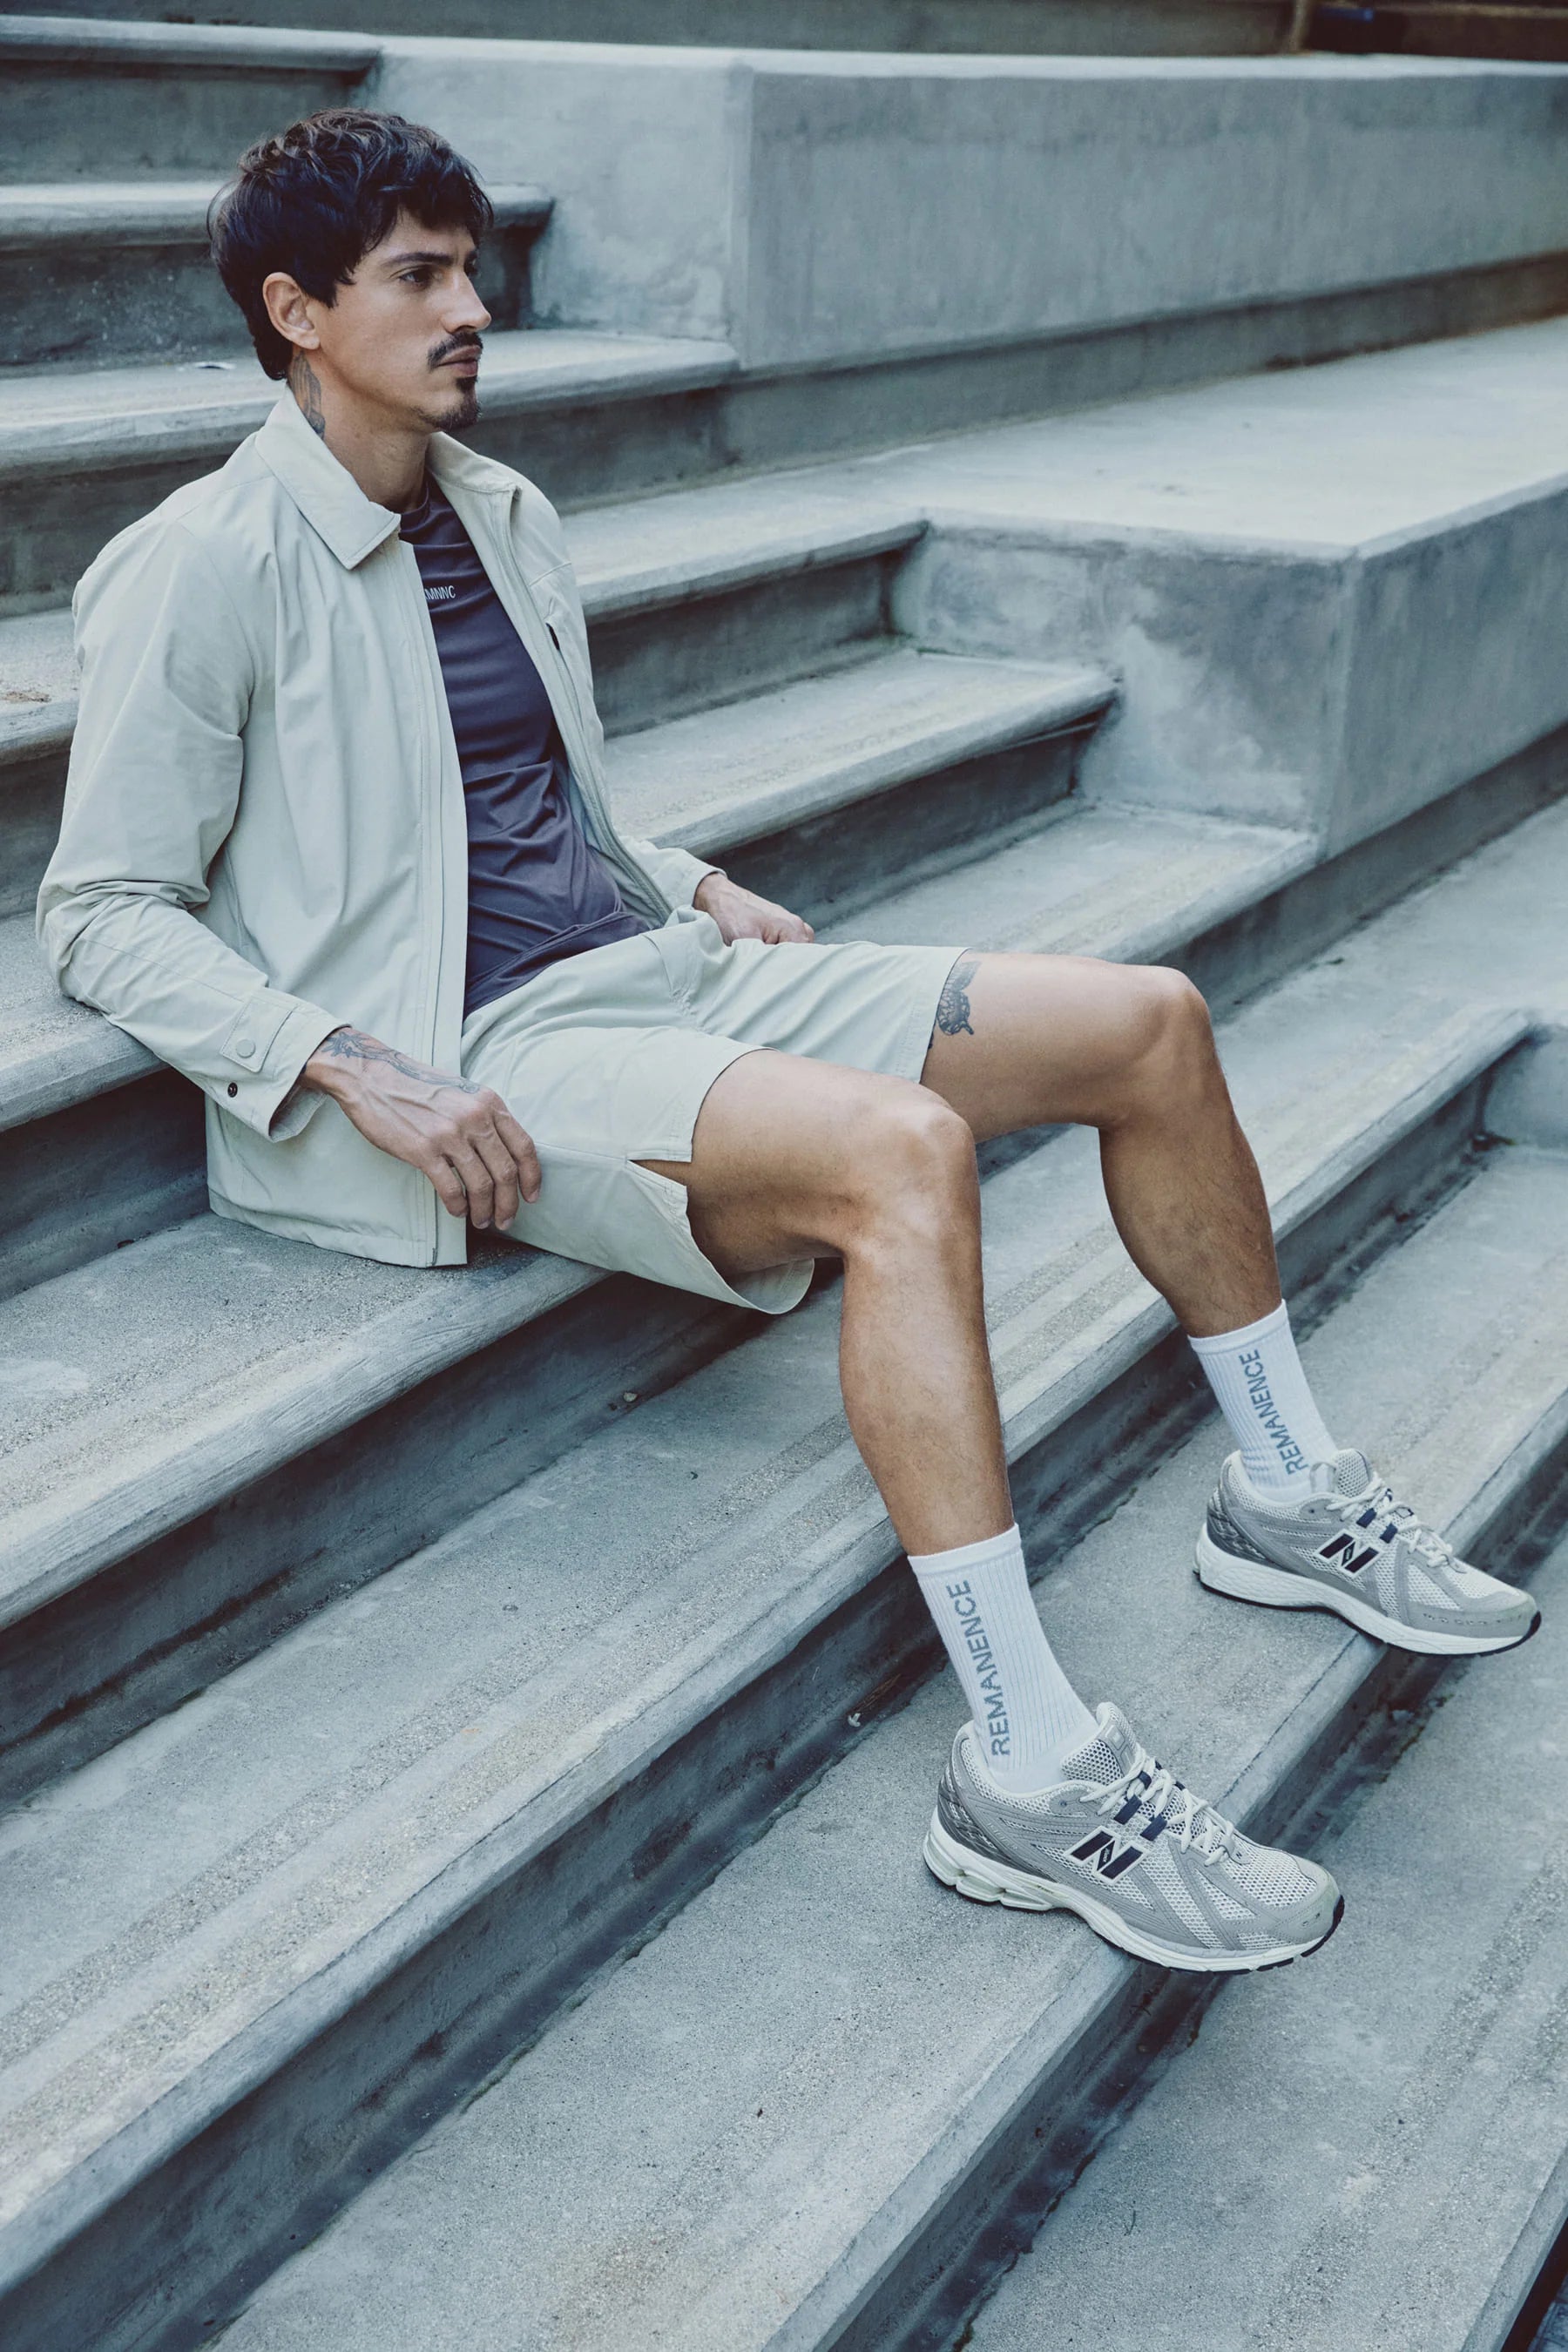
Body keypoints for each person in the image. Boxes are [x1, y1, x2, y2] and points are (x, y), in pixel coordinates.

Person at [38, 109, 1538, 1977]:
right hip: (485, 1045)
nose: (472, 308)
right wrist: (347, 1060)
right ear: (295, 312)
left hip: (658, 966)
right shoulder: (201, 562)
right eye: (418, 276)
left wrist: (683, 877)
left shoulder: (499, 512)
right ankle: (1025, 1762)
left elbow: (507, 798)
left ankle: (1289, 1490)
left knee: (1149, 1024)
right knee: (903, 1158)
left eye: (471, 268)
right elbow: (101, 910)